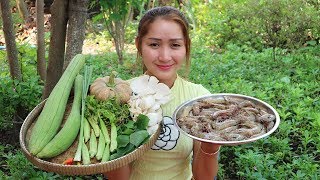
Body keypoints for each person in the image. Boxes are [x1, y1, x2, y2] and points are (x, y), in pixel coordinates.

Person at [103, 6, 221, 180]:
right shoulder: (121, 95)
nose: (165, 56)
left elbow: (204, 177)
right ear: (138, 45)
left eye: (175, 45)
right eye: (154, 44)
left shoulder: (199, 99)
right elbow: (117, 177)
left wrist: (211, 147)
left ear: (186, 47)